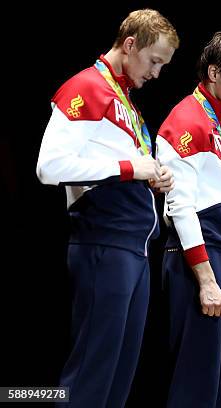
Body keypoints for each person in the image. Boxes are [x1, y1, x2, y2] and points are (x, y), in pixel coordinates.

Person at [36, 9, 178, 407]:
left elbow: (114, 168)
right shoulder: (87, 87)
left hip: (133, 249)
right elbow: (49, 167)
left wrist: (150, 177)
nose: (155, 74)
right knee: (89, 378)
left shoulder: (124, 100)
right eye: (154, 62)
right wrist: (131, 166)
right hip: (104, 245)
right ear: (130, 45)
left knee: (118, 380)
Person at [156, 32, 221, 408]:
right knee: (196, 384)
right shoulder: (187, 120)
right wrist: (206, 279)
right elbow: (180, 207)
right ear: (215, 73)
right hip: (195, 260)